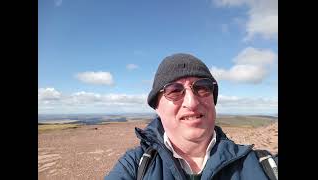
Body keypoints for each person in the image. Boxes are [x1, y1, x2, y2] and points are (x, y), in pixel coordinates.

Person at [105, 53, 276, 180]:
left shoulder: (266, 167)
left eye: (202, 87)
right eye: (174, 91)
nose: (192, 102)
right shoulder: (136, 166)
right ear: (156, 106)